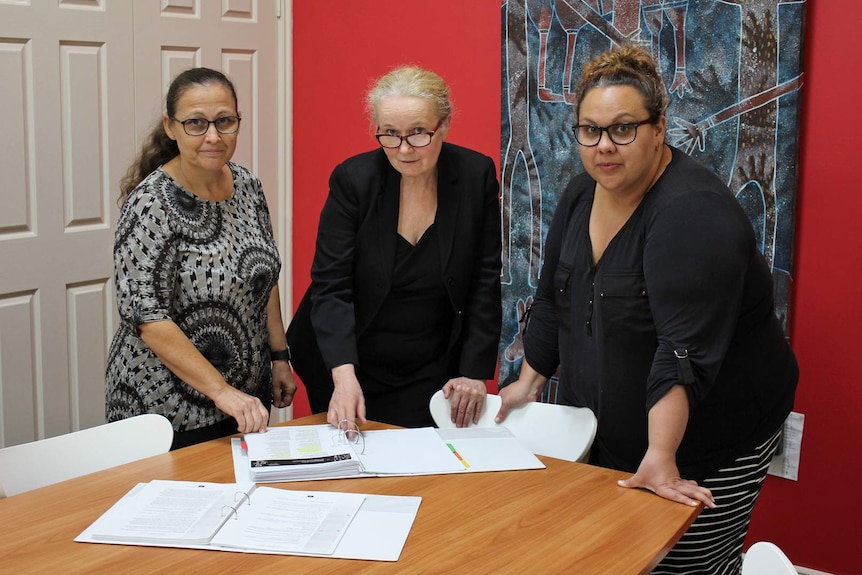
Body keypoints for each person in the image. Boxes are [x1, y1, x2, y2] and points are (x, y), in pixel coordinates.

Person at [495, 46, 798, 573]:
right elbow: (554, 296)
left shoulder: (693, 216)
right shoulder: (581, 194)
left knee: (683, 563)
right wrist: (529, 380)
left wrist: (660, 455)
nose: (604, 147)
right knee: (619, 554)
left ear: (660, 129)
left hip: (711, 432)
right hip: (616, 424)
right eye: (589, 130)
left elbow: (681, 354)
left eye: (623, 128)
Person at [289, 65, 501, 429]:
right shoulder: (354, 181)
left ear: (444, 124)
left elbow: (484, 279)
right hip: (348, 360)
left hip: (431, 362)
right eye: (390, 134)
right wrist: (343, 377)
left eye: (419, 133)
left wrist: (473, 372)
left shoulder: (474, 175)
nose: (404, 150)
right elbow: (331, 287)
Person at [106, 67, 296, 450]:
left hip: (245, 398)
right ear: (170, 126)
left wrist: (279, 356)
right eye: (196, 123)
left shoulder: (247, 185)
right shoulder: (151, 204)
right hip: (168, 405)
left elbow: (265, 275)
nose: (213, 135)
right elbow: (148, 317)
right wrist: (221, 391)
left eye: (224, 121)